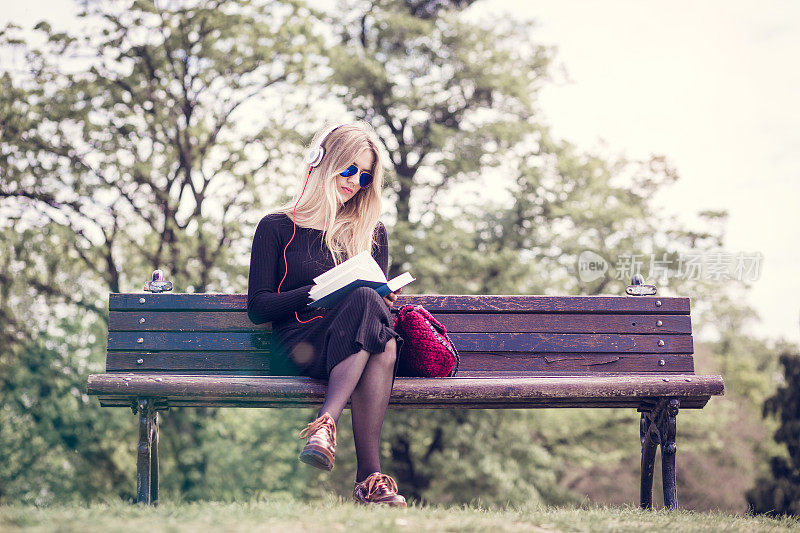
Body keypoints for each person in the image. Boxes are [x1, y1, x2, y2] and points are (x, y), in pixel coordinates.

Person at [247, 121, 407, 507]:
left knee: (375, 320)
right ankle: (368, 477)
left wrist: (379, 298)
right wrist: (319, 292)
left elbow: (373, 308)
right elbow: (259, 307)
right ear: (322, 161)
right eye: (349, 169)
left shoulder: (372, 232)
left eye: (365, 176)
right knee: (379, 339)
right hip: (297, 347)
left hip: (349, 349)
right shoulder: (276, 227)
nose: (355, 181)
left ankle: (326, 428)